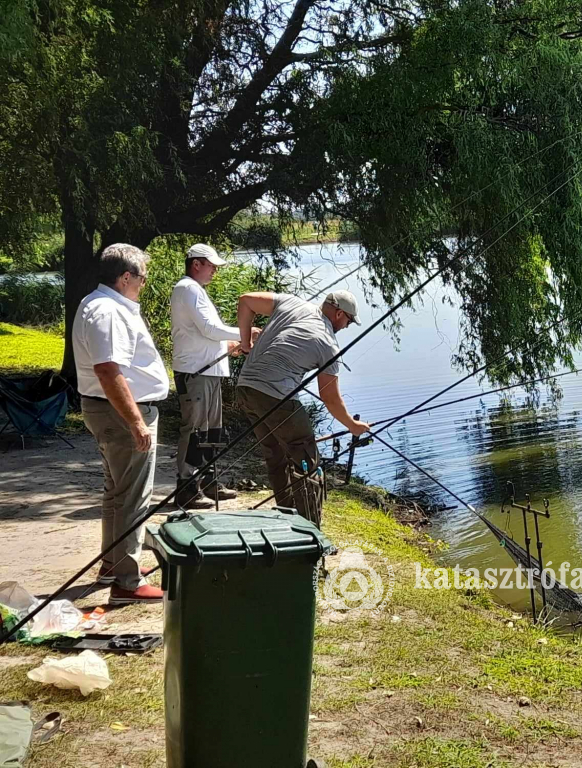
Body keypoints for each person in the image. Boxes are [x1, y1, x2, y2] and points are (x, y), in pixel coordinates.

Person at [72, 244, 169, 603]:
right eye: (142, 276)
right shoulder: (108, 310)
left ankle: (112, 565)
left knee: (116, 492)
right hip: (121, 414)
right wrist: (137, 422)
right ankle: (127, 582)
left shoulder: (97, 303)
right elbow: (107, 370)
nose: (144, 282)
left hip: (108, 411)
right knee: (132, 497)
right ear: (125, 277)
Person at [235, 289, 370, 528]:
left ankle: (287, 517)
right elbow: (329, 397)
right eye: (349, 321)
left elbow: (245, 301)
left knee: (275, 456)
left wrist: (246, 344)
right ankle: (311, 530)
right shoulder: (328, 344)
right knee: (307, 461)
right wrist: (352, 425)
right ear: (339, 314)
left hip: (245, 388)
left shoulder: (291, 303)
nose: (347, 327)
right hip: (277, 397)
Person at [170, 243, 255, 508]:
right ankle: (186, 488)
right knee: (195, 430)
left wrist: (228, 345)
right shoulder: (188, 288)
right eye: (212, 266)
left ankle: (209, 481)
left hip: (208, 370)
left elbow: (203, 333)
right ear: (196, 264)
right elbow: (209, 328)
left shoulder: (195, 290)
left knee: (212, 430)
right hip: (196, 372)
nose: (215, 271)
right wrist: (245, 334)